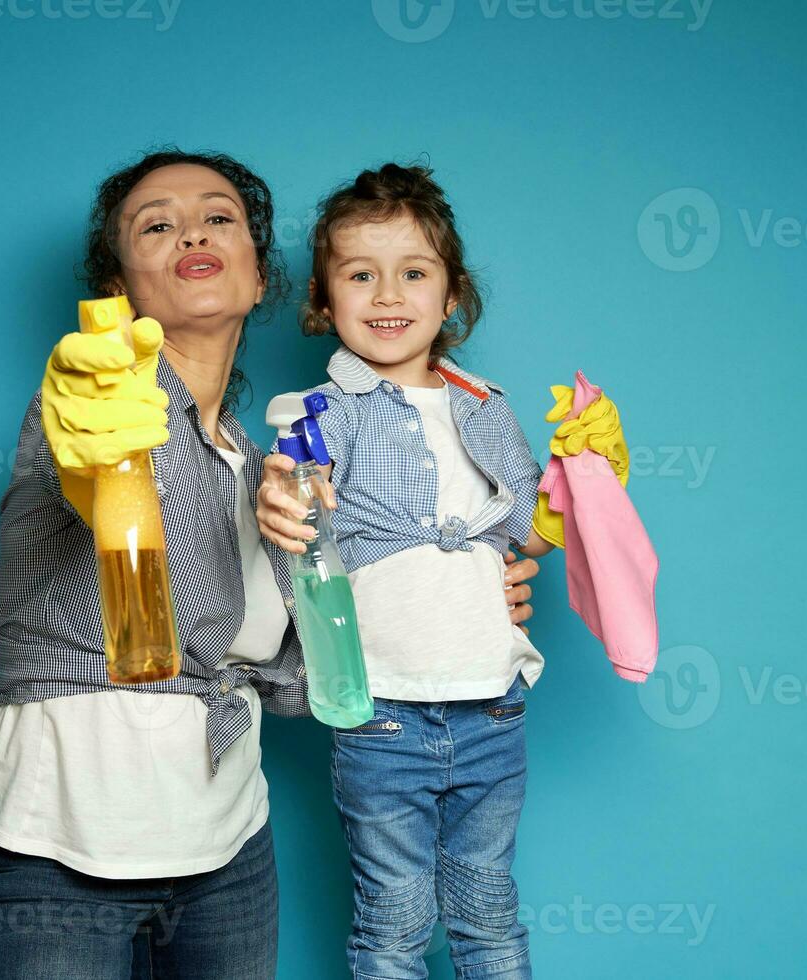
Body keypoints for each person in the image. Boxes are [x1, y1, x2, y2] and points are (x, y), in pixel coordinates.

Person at [0, 149, 542, 980]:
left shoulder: (262, 464)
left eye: (217, 217)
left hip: (227, 856)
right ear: (117, 290)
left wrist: (466, 597)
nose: (191, 229)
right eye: (156, 224)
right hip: (59, 848)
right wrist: (90, 427)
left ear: (260, 278)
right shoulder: (90, 405)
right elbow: (104, 480)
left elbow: (315, 667)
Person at [255, 162, 629, 980]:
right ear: (323, 300)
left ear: (451, 294)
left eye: (413, 273)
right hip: (381, 709)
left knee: (489, 910)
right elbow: (298, 527)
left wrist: (586, 473)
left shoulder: (485, 404)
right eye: (360, 275)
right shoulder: (320, 414)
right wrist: (287, 484)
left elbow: (528, 533)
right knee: (393, 918)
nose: (388, 294)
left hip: (493, 704)